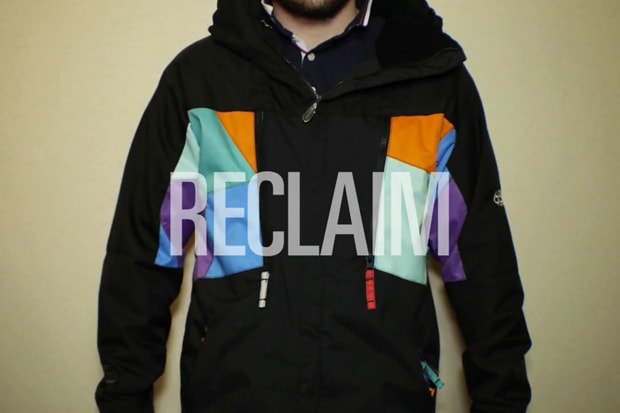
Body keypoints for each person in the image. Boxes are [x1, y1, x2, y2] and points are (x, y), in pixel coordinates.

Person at [95, 0, 532, 412]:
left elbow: (482, 267)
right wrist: (124, 398)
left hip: (387, 397)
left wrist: (502, 401)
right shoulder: (198, 80)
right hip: (232, 397)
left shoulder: (437, 85)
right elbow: (142, 258)